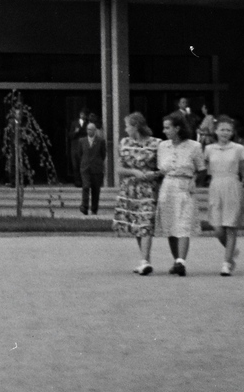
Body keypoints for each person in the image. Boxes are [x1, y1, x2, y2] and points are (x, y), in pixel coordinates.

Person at [155, 112, 206, 275]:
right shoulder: (162, 146)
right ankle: (176, 260)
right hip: (168, 186)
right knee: (170, 226)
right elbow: (161, 170)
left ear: (178, 128)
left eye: (167, 127)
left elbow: (202, 170)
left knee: (183, 224)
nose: (164, 131)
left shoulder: (194, 146)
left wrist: (195, 181)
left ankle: (181, 261)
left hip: (185, 187)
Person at [114, 112, 161, 273]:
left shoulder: (156, 143)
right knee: (137, 223)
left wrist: (153, 174)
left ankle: (145, 260)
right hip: (131, 188)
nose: (125, 129)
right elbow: (119, 169)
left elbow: (162, 168)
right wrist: (134, 172)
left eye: (127, 126)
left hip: (148, 188)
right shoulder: (124, 143)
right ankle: (144, 260)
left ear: (136, 126)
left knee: (146, 222)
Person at [205, 116, 244, 274]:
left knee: (230, 227)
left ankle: (226, 263)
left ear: (233, 132)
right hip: (216, 186)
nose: (225, 132)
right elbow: (202, 168)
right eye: (222, 129)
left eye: (228, 130)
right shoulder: (209, 149)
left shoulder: (239, 149)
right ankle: (232, 252)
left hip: (232, 185)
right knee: (217, 229)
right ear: (216, 131)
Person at [77, 120, 107, 215]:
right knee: (85, 186)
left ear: (95, 130)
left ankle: (94, 209)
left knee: (95, 189)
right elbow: (79, 153)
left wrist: (98, 162)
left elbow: (103, 154)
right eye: (88, 129)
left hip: (96, 168)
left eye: (91, 129)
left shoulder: (101, 141)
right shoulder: (82, 141)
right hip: (85, 168)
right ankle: (84, 206)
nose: (89, 131)